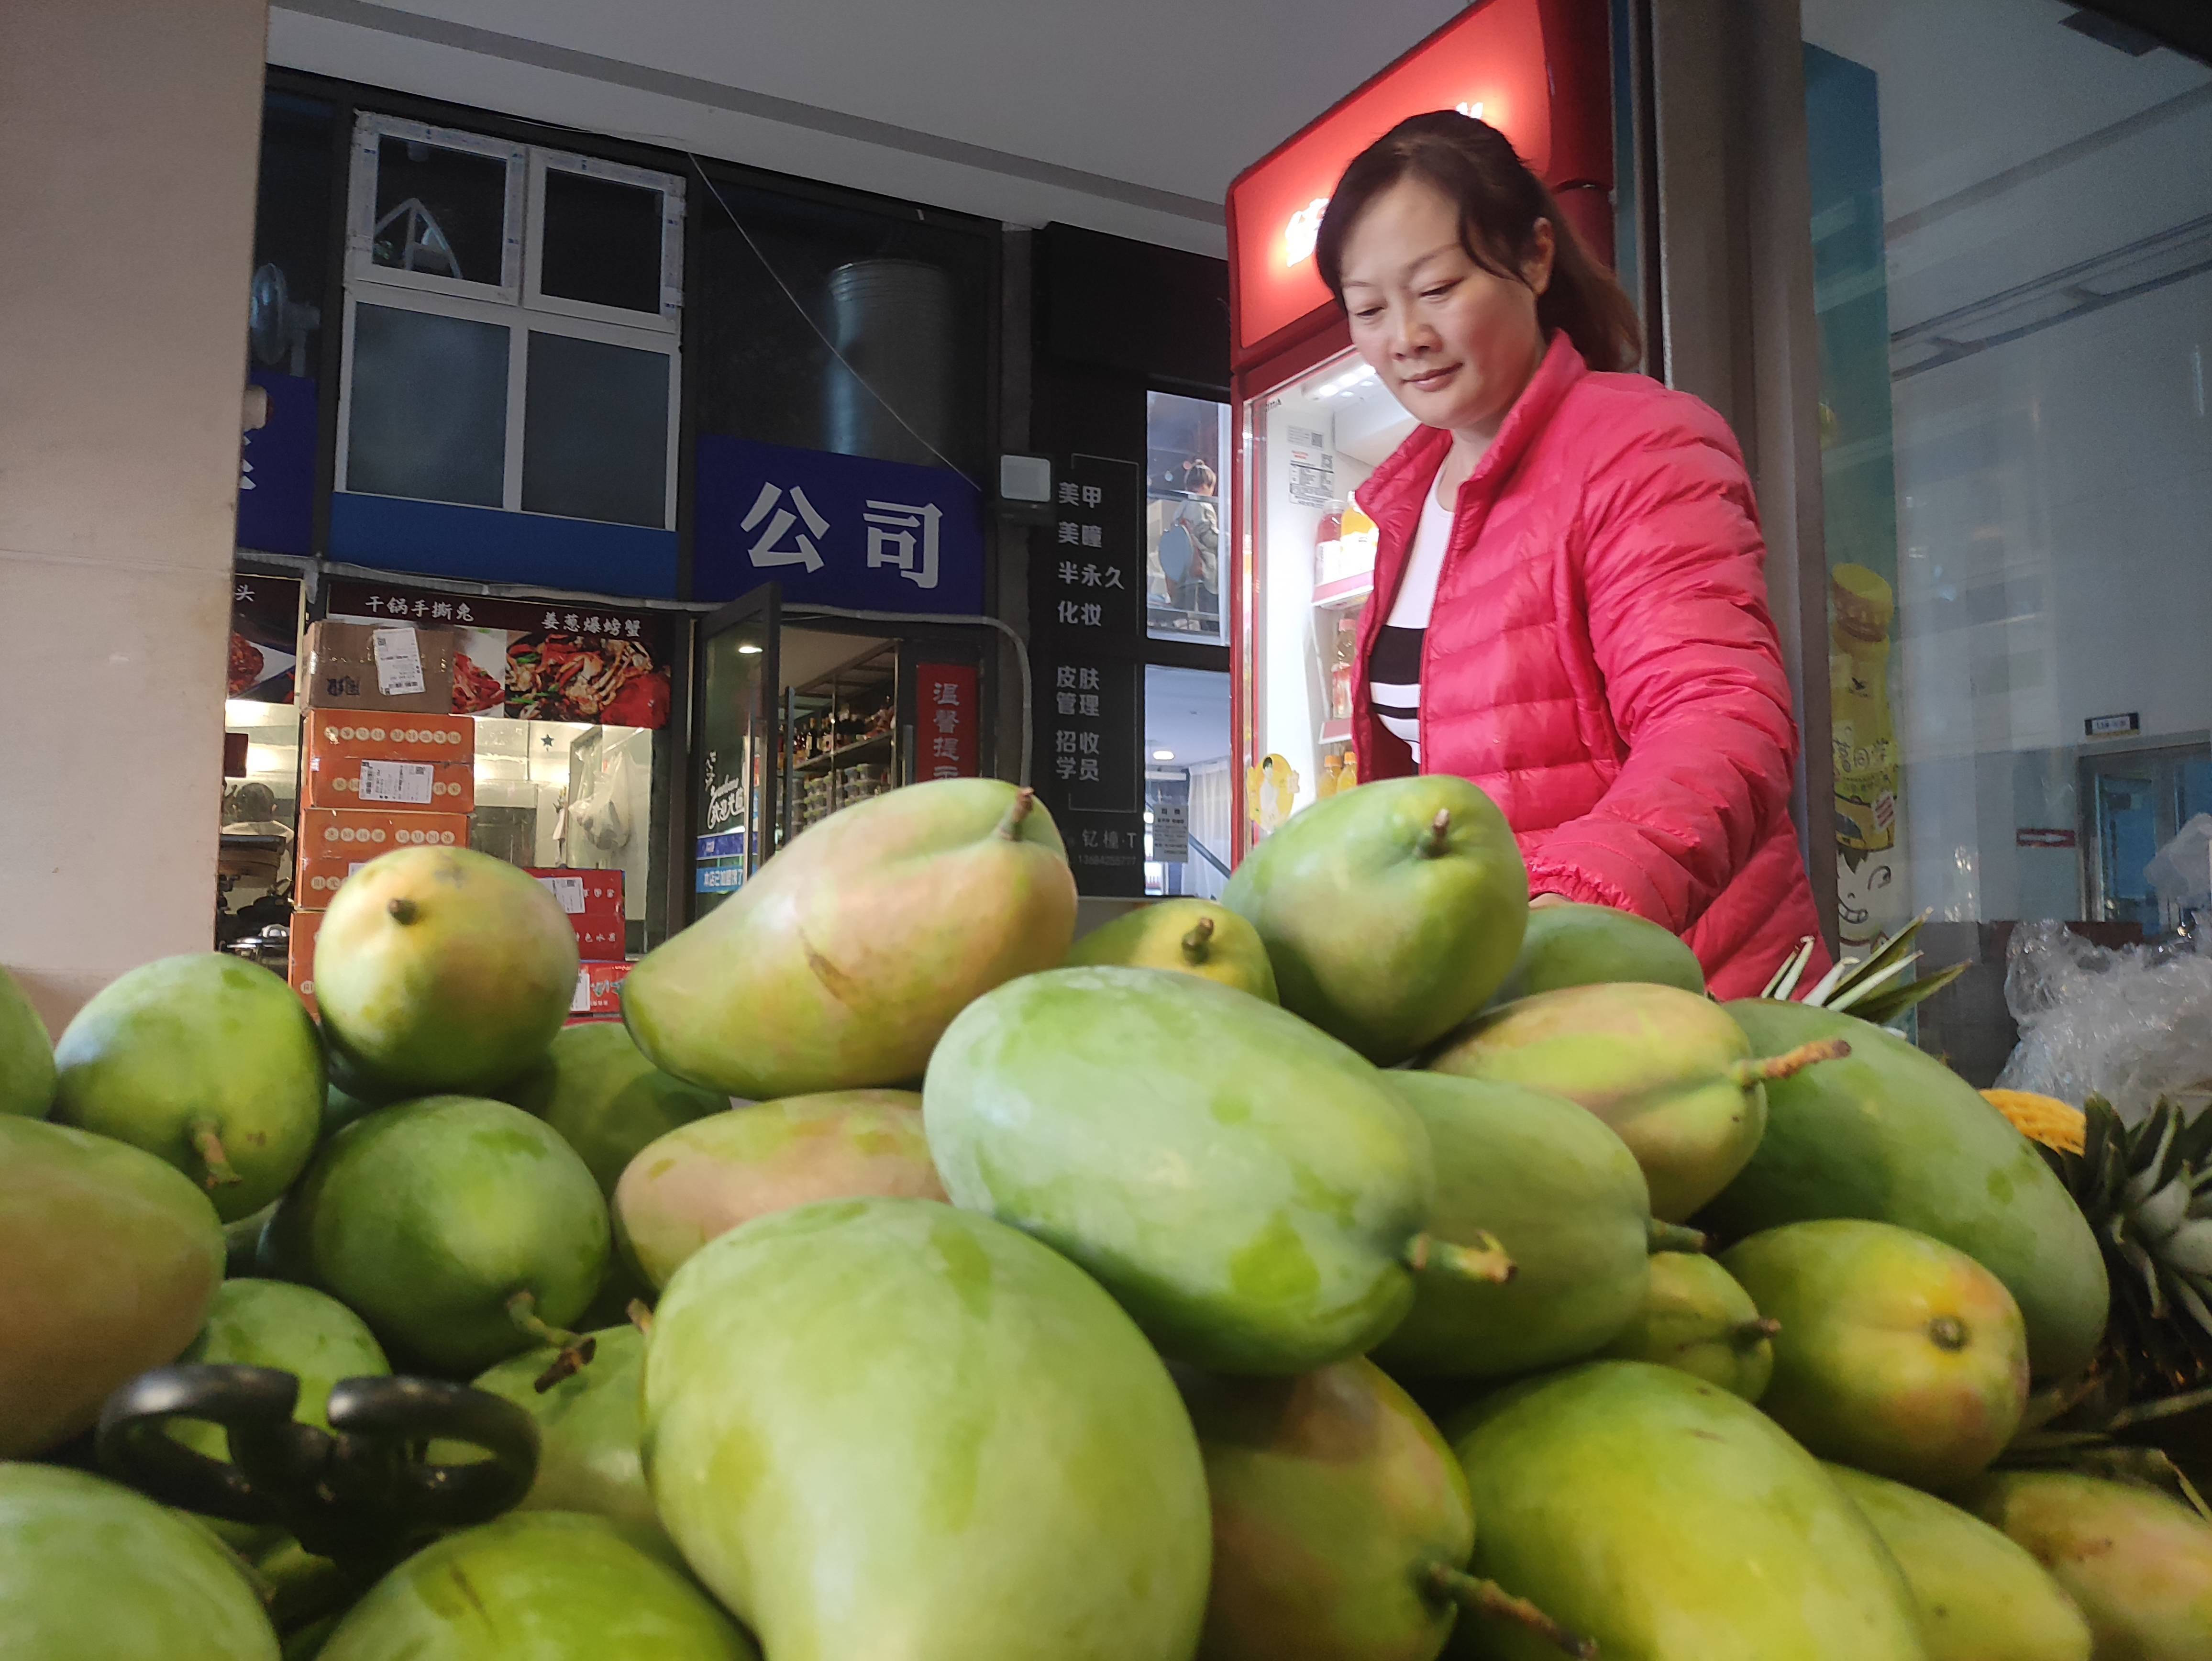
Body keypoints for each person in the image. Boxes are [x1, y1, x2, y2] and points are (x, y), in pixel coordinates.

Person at [1316, 111, 1828, 997]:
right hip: (1519, 993)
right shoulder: (1407, 504)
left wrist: (1569, 911)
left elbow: (1718, 718)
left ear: (1537, 259)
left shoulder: (1639, 444)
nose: (1405, 336)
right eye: (1369, 309)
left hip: (1687, 992)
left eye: (1437, 288)